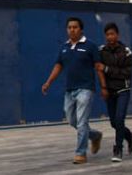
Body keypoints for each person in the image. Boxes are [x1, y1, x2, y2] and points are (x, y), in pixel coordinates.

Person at [42, 17, 104, 165]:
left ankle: (80, 153)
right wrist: (48, 82)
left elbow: (98, 67)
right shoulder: (64, 47)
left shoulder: (90, 46)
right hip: (70, 90)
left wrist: (104, 86)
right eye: (69, 27)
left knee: (82, 121)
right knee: (72, 120)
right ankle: (95, 136)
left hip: (86, 88)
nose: (72, 30)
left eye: (75, 27)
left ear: (81, 29)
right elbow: (58, 66)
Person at [96, 23, 132, 163]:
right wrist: (103, 87)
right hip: (109, 91)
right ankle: (129, 136)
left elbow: (127, 73)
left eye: (112, 34)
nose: (110, 37)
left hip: (123, 89)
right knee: (114, 123)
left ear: (117, 35)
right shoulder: (101, 51)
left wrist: (108, 69)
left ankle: (118, 148)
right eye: (107, 34)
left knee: (120, 119)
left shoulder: (126, 52)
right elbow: (98, 69)